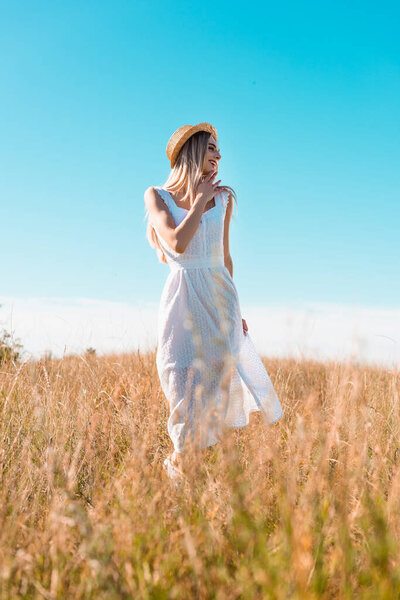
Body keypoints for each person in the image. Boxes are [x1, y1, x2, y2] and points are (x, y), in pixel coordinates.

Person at [144, 122, 283, 482]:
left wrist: (238, 312)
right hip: (182, 300)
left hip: (219, 298)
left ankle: (193, 486)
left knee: (213, 399)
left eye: (219, 150)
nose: (219, 156)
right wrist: (201, 200)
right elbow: (176, 244)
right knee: (180, 382)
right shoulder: (157, 195)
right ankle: (178, 470)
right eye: (211, 149)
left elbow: (225, 259)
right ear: (191, 152)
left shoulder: (224, 199)